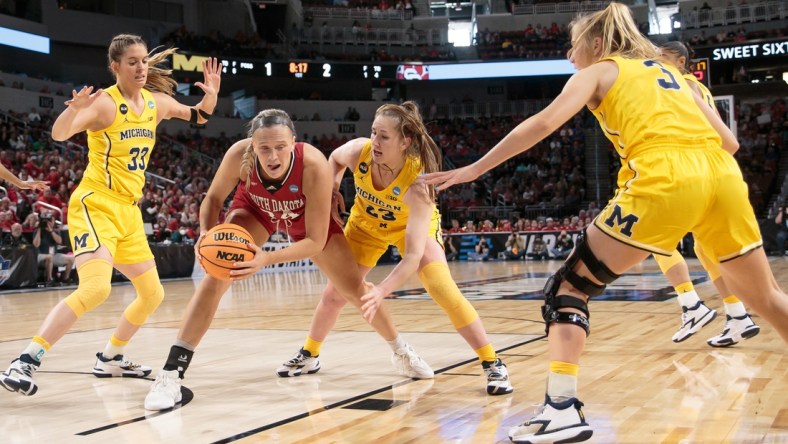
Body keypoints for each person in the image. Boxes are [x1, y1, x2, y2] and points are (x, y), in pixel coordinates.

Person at [420, 4, 788, 442]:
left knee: (567, 289)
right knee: (765, 296)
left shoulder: (599, 72)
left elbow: (543, 123)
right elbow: (729, 142)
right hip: (723, 177)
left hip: (665, 175)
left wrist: (473, 169)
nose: (569, 57)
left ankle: (561, 411)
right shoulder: (674, 76)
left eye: (573, 47)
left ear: (596, 44)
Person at [144, 109, 432, 411]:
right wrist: (205, 232)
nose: (272, 156)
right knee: (218, 276)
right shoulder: (238, 155)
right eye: (264, 148)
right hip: (255, 210)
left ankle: (400, 350)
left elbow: (315, 242)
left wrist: (265, 258)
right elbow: (213, 199)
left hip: (304, 218)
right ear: (252, 145)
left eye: (280, 147)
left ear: (293, 142)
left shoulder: (313, 165)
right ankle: (171, 373)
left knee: (354, 288)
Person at [0, 34, 221, 396]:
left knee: (152, 294)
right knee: (96, 288)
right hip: (95, 204)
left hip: (128, 212)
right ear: (115, 67)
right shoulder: (104, 103)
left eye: (143, 61)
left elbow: (198, 116)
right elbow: (59, 133)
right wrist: (74, 109)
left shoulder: (156, 102)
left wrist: (210, 94)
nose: (140, 67)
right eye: (131, 61)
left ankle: (111, 357)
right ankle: (25, 360)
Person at [279, 102, 513, 396]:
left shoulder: (418, 184)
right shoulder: (358, 150)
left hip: (409, 231)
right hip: (365, 226)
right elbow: (334, 159)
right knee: (334, 294)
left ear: (405, 142)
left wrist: (381, 290)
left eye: (384, 136)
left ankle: (492, 362)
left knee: (442, 288)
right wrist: (334, 187)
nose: (375, 141)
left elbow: (413, 256)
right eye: (374, 132)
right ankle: (310, 355)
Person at [656, 41, 760, 347]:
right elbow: (728, 142)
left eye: (663, 57)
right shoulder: (698, 88)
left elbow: (725, 140)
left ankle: (691, 304)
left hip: (697, 170)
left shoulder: (681, 86)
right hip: (716, 170)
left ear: (681, 60)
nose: (658, 62)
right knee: (705, 250)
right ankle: (738, 314)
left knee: (655, 238)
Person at [34, 213, 74, 285]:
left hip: (53, 255)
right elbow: (36, 245)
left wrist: (51, 231)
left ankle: (65, 278)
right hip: (40, 256)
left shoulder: (55, 231)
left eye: (50, 220)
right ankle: (49, 279)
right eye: (47, 221)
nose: (48, 223)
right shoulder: (38, 231)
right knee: (49, 257)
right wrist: (39, 229)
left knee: (71, 258)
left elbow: (59, 241)